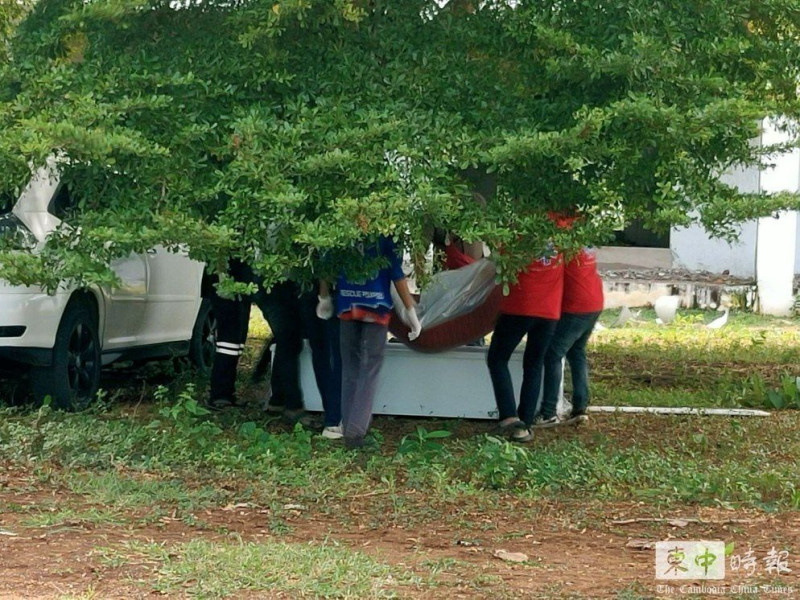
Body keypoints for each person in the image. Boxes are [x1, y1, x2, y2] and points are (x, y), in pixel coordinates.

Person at [317, 235, 421, 449]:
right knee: (370, 368)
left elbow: (326, 266)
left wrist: (324, 297)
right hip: (377, 306)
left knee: (350, 368)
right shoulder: (386, 234)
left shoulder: (342, 230)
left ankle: (348, 426)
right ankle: (355, 433)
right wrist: (412, 313)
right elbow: (396, 273)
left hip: (347, 303)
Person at [487, 247, 564, 442]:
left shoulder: (518, 229)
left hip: (519, 305)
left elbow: (501, 261)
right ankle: (524, 425)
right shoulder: (565, 227)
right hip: (549, 310)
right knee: (534, 364)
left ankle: (509, 416)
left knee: (497, 358)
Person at [253, 279, 343, 438]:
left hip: (281, 288)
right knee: (293, 341)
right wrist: (323, 296)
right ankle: (296, 407)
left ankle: (280, 400)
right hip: (292, 290)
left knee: (288, 341)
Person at [539, 246, 604, 426]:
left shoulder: (561, 241)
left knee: (553, 354)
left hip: (576, 305)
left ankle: (548, 411)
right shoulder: (581, 237)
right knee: (577, 352)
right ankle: (580, 408)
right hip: (594, 301)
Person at [207, 259, 253, 410]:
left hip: (240, 285)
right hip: (226, 284)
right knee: (229, 342)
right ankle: (219, 395)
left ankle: (226, 392)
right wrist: (223, 280)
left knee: (236, 341)